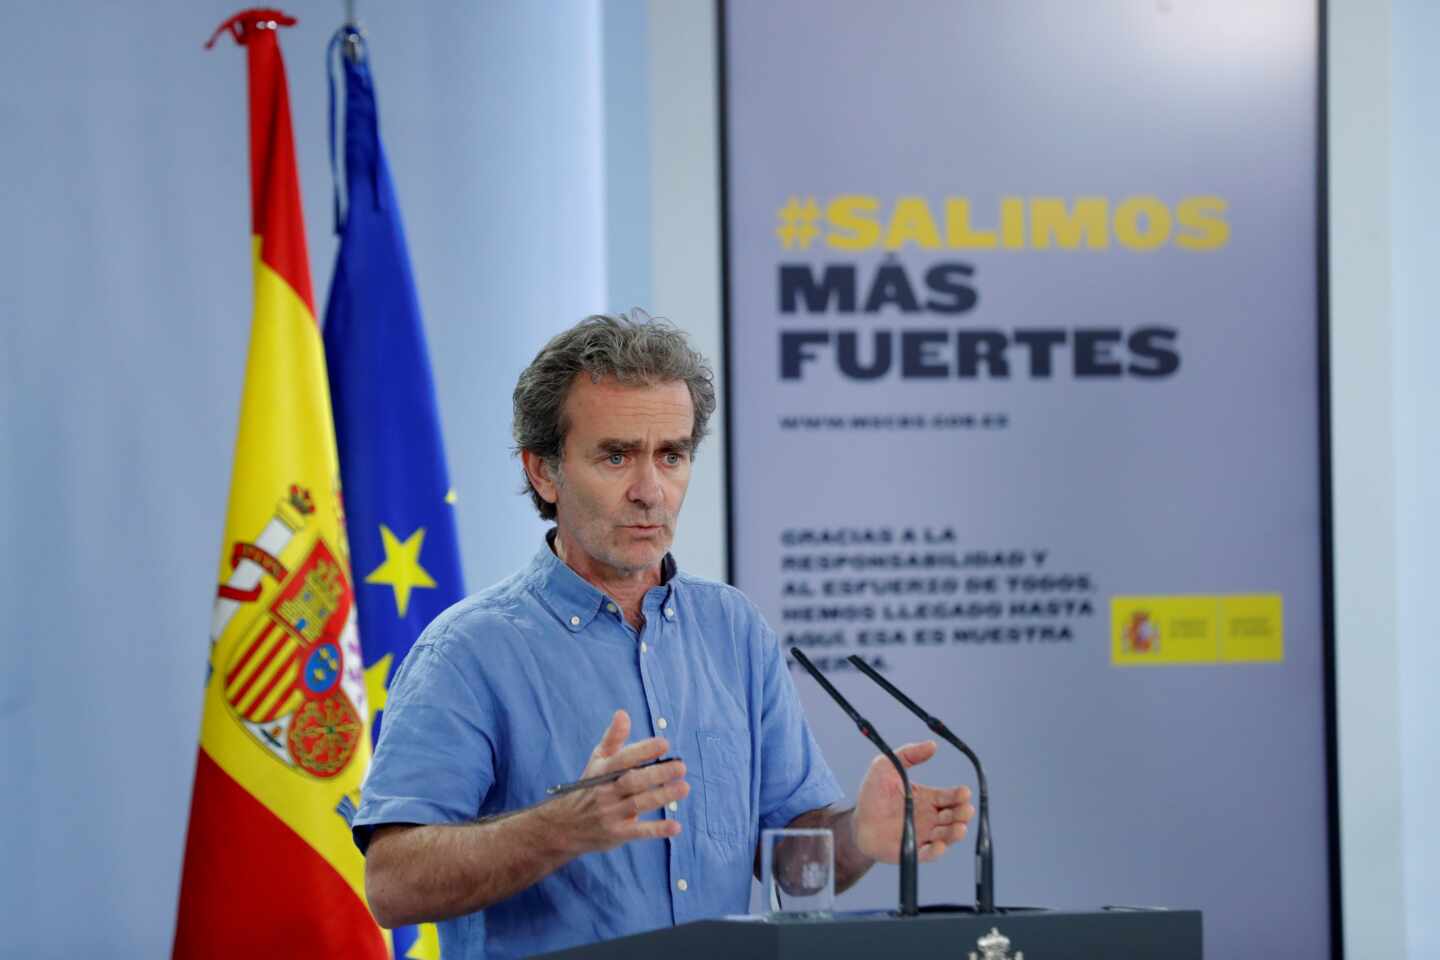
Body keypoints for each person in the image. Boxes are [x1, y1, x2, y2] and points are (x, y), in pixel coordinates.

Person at [353, 314, 974, 959]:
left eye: (671, 456)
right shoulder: (468, 651)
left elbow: (792, 860)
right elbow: (393, 886)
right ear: (543, 472)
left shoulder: (733, 630)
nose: (650, 492)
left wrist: (859, 835)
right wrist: (560, 828)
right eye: (616, 456)